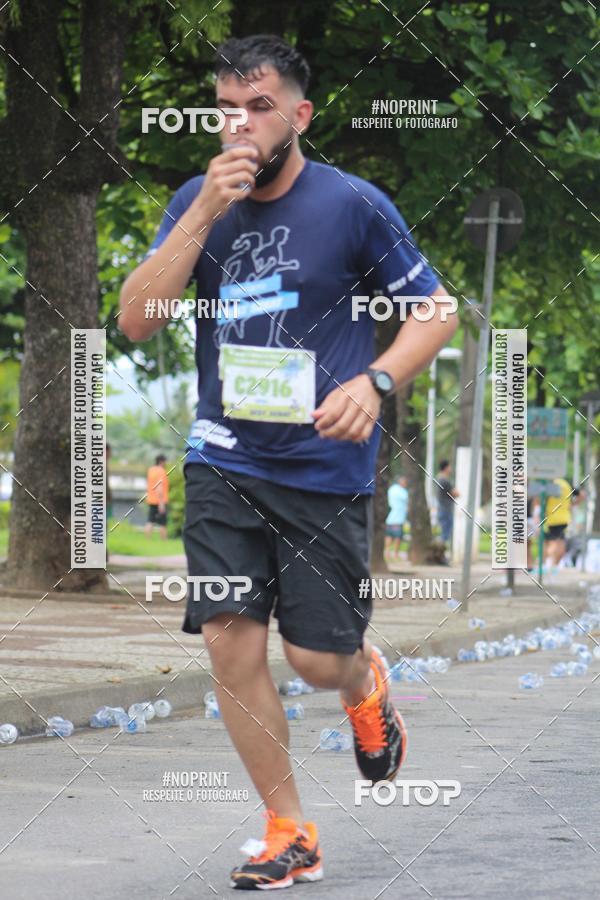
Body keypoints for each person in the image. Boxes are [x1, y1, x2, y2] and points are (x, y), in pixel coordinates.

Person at [119, 34, 457, 891]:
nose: (242, 122)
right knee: (231, 640)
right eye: (228, 107)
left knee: (312, 659)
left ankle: (362, 680)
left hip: (323, 467)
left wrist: (376, 381)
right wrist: (201, 215)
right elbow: (136, 320)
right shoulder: (198, 199)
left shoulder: (353, 204)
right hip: (224, 457)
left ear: (299, 115)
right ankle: (288, 828)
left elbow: (437, 310)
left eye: (260, 106)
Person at [544, 476, 572, 567]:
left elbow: (542, 499)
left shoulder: (551, 485)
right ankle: (554, 564)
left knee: (552, 542)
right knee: (561, 542)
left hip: (553, 518)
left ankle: (550, 563)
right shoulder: (566, 485)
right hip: (564, 518)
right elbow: (581, 495)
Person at [436, 459, 459, 558]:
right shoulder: (445, 480)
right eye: (449, 467)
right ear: (446, 468)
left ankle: (440, 555)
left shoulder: (438, 478)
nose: (451, 469)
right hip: (446, 510)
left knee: (444, 534)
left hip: (442, 509)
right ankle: (440, 556)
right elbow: (456, 493)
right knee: (445, 535)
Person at [385, 475, 409, 561]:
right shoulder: (403, 492)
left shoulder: (391, 489)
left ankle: (387, 553)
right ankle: (395, 554)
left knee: (388, 536)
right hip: (399, 518)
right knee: (398, 537)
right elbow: (407, 502)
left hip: (390, 517)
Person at [145, 454, 169, 540]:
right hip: (160, 500)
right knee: (163, 523)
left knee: (150, 521)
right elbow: (159, 487)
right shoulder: (161, 471)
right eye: (165, 461)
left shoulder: (151, 470)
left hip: (151, 499)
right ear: (161, 461)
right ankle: (164, 541)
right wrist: (161, 503)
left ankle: (147, 540)